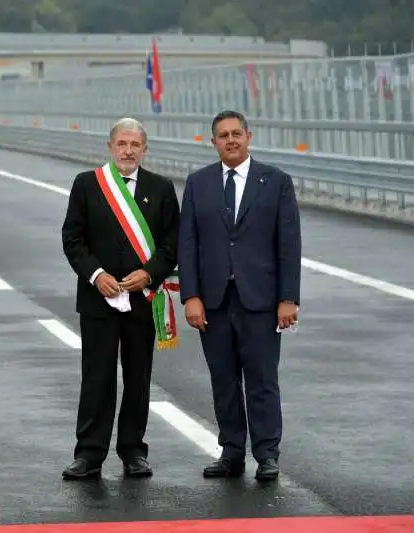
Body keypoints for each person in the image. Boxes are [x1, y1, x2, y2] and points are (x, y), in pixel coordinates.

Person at [177, 110, 301, 481]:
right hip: (213, 301)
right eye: (223, 136)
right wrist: (191, 296)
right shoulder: (198, 183)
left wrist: (288, 298)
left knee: (262, 379)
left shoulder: (275, 181)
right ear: (212, 142)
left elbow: (288, 244)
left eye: (237, 134)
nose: (230, 140)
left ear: (249, 136)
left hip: (261, 300)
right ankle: (232, 452)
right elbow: (188, 243)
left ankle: (267, 454)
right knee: (223, 379)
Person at [60, 117, 180, 480]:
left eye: (135, 145)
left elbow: (171, 244)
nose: (128, 151)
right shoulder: (88, 184)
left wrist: (150, 273)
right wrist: (97, 276)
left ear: (145, 149)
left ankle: (133, 451)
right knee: (97, 377)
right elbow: (73, 239)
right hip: (99, 301)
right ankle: (89, 454)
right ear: (110, 147)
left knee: (138, 376)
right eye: (122, 144)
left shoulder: (160, 188)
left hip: (142, 298)